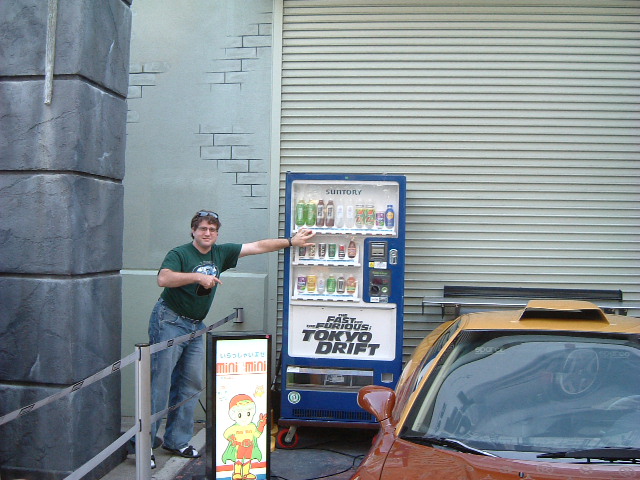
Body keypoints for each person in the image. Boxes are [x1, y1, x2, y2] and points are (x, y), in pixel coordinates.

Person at [148, 210, 314, 467]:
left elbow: (258, 246)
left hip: (195, 326)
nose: (207, 233)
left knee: (190, 384)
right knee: (159, 383)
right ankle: (145, 445)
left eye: (212, 230)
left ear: (217, 234)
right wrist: (198, 276)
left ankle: (177, 440)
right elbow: (164, 278)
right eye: (203, 229)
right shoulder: (180, 253)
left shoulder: (221, 253)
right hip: (169, 321)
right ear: (193, 231)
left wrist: (291, 241)